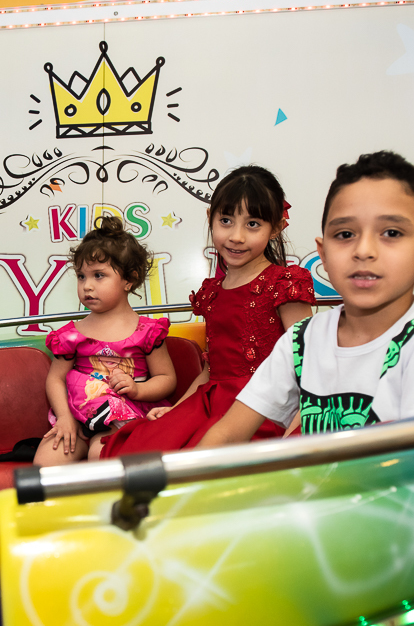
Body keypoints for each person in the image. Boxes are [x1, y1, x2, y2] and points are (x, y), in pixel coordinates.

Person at [198, 151, 414, 447]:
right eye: (345, 234)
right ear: (323, 253)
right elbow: (228, 432)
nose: (364, 251)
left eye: (391, 232)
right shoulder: (302, 339)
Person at [94, 166, 315, 459]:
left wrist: (299, 426)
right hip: (208, 403)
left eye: (253, 224)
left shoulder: (283, 284)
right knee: (124, 452)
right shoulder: (212, 291)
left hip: (260, 408)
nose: (236, 236)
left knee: (199, 464)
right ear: (210, 217)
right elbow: (211, 370)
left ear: (276, 228)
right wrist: (177, 409)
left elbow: (309, 366)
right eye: (226, 220)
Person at [36, 215, 177, 466]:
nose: (87, 286)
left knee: (100, 455)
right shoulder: (71, 334)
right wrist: (64, 418)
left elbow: (167, 378)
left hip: (127, 417)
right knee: (46, 463)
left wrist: (139, 389)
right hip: (77, 416)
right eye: (81, 276)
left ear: (129, 279)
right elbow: (55, 378)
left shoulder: (147, 331)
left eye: (98, 275)